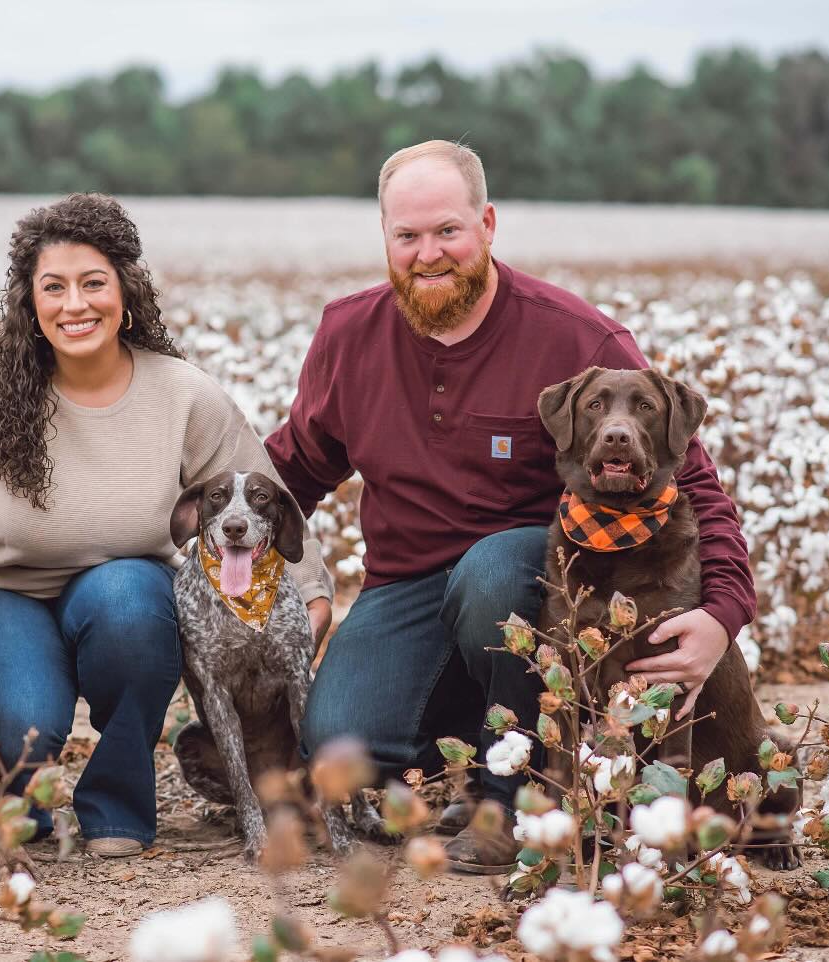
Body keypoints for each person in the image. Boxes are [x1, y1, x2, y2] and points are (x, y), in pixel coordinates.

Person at [265, 141, 755, 874]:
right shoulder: (348, 333)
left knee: (496, 571)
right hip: (405, 588)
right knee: (342, 746)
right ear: (387, 240)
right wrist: (220, 554)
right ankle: (467, 754)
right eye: (407, 236)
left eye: (448, 231)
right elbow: (292, 470)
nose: (428, 253)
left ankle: (512, 800)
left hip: (534, 581)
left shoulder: (575, 337)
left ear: (488, 224)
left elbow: (698, 488)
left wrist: (722, 613)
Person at [0, 193, 332, 858]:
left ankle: (115, 809)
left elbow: (263, 496)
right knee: (25, 723)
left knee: (135, 606)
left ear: (126, 291)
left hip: (125, 593)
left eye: (94, 283)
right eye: (53, 287)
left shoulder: (183, 393)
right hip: (8, 595)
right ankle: (18, 809)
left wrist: (313, 595)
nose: (75, 305)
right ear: (28, 302)